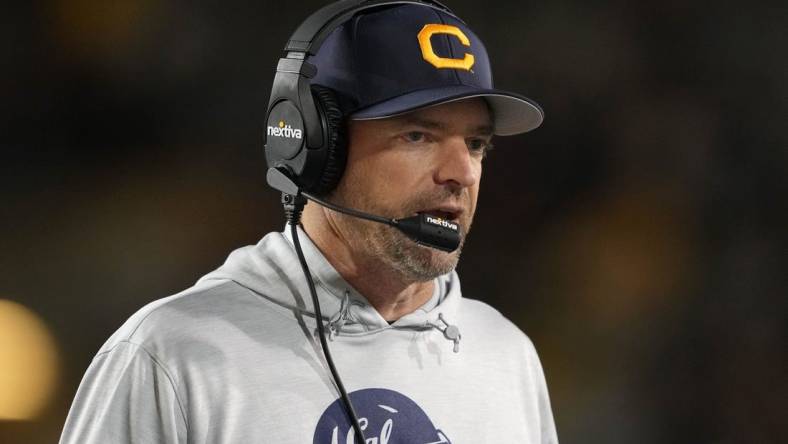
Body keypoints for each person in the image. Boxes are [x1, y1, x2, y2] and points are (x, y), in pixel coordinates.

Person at [60, 1, 558, 443]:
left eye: (475, 143)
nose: (462, 173)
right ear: (314, 148)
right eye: (417, 137)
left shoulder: (506, 357)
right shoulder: (173, 356)